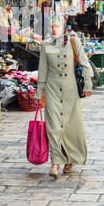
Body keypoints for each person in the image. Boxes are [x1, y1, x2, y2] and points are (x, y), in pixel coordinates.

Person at [35, 15, 93, 178]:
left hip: (70, 90)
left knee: (71, 125)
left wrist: (87, 84)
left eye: (57, 26)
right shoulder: (45, 45)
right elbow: (43, 70)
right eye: (51, 27)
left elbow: (84, 63)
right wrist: (39, 92)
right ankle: (55, 163)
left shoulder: (74, 42)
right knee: (53, 126)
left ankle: (69, 160)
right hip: (52, 89)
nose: (54, 29)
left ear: (63, 27)